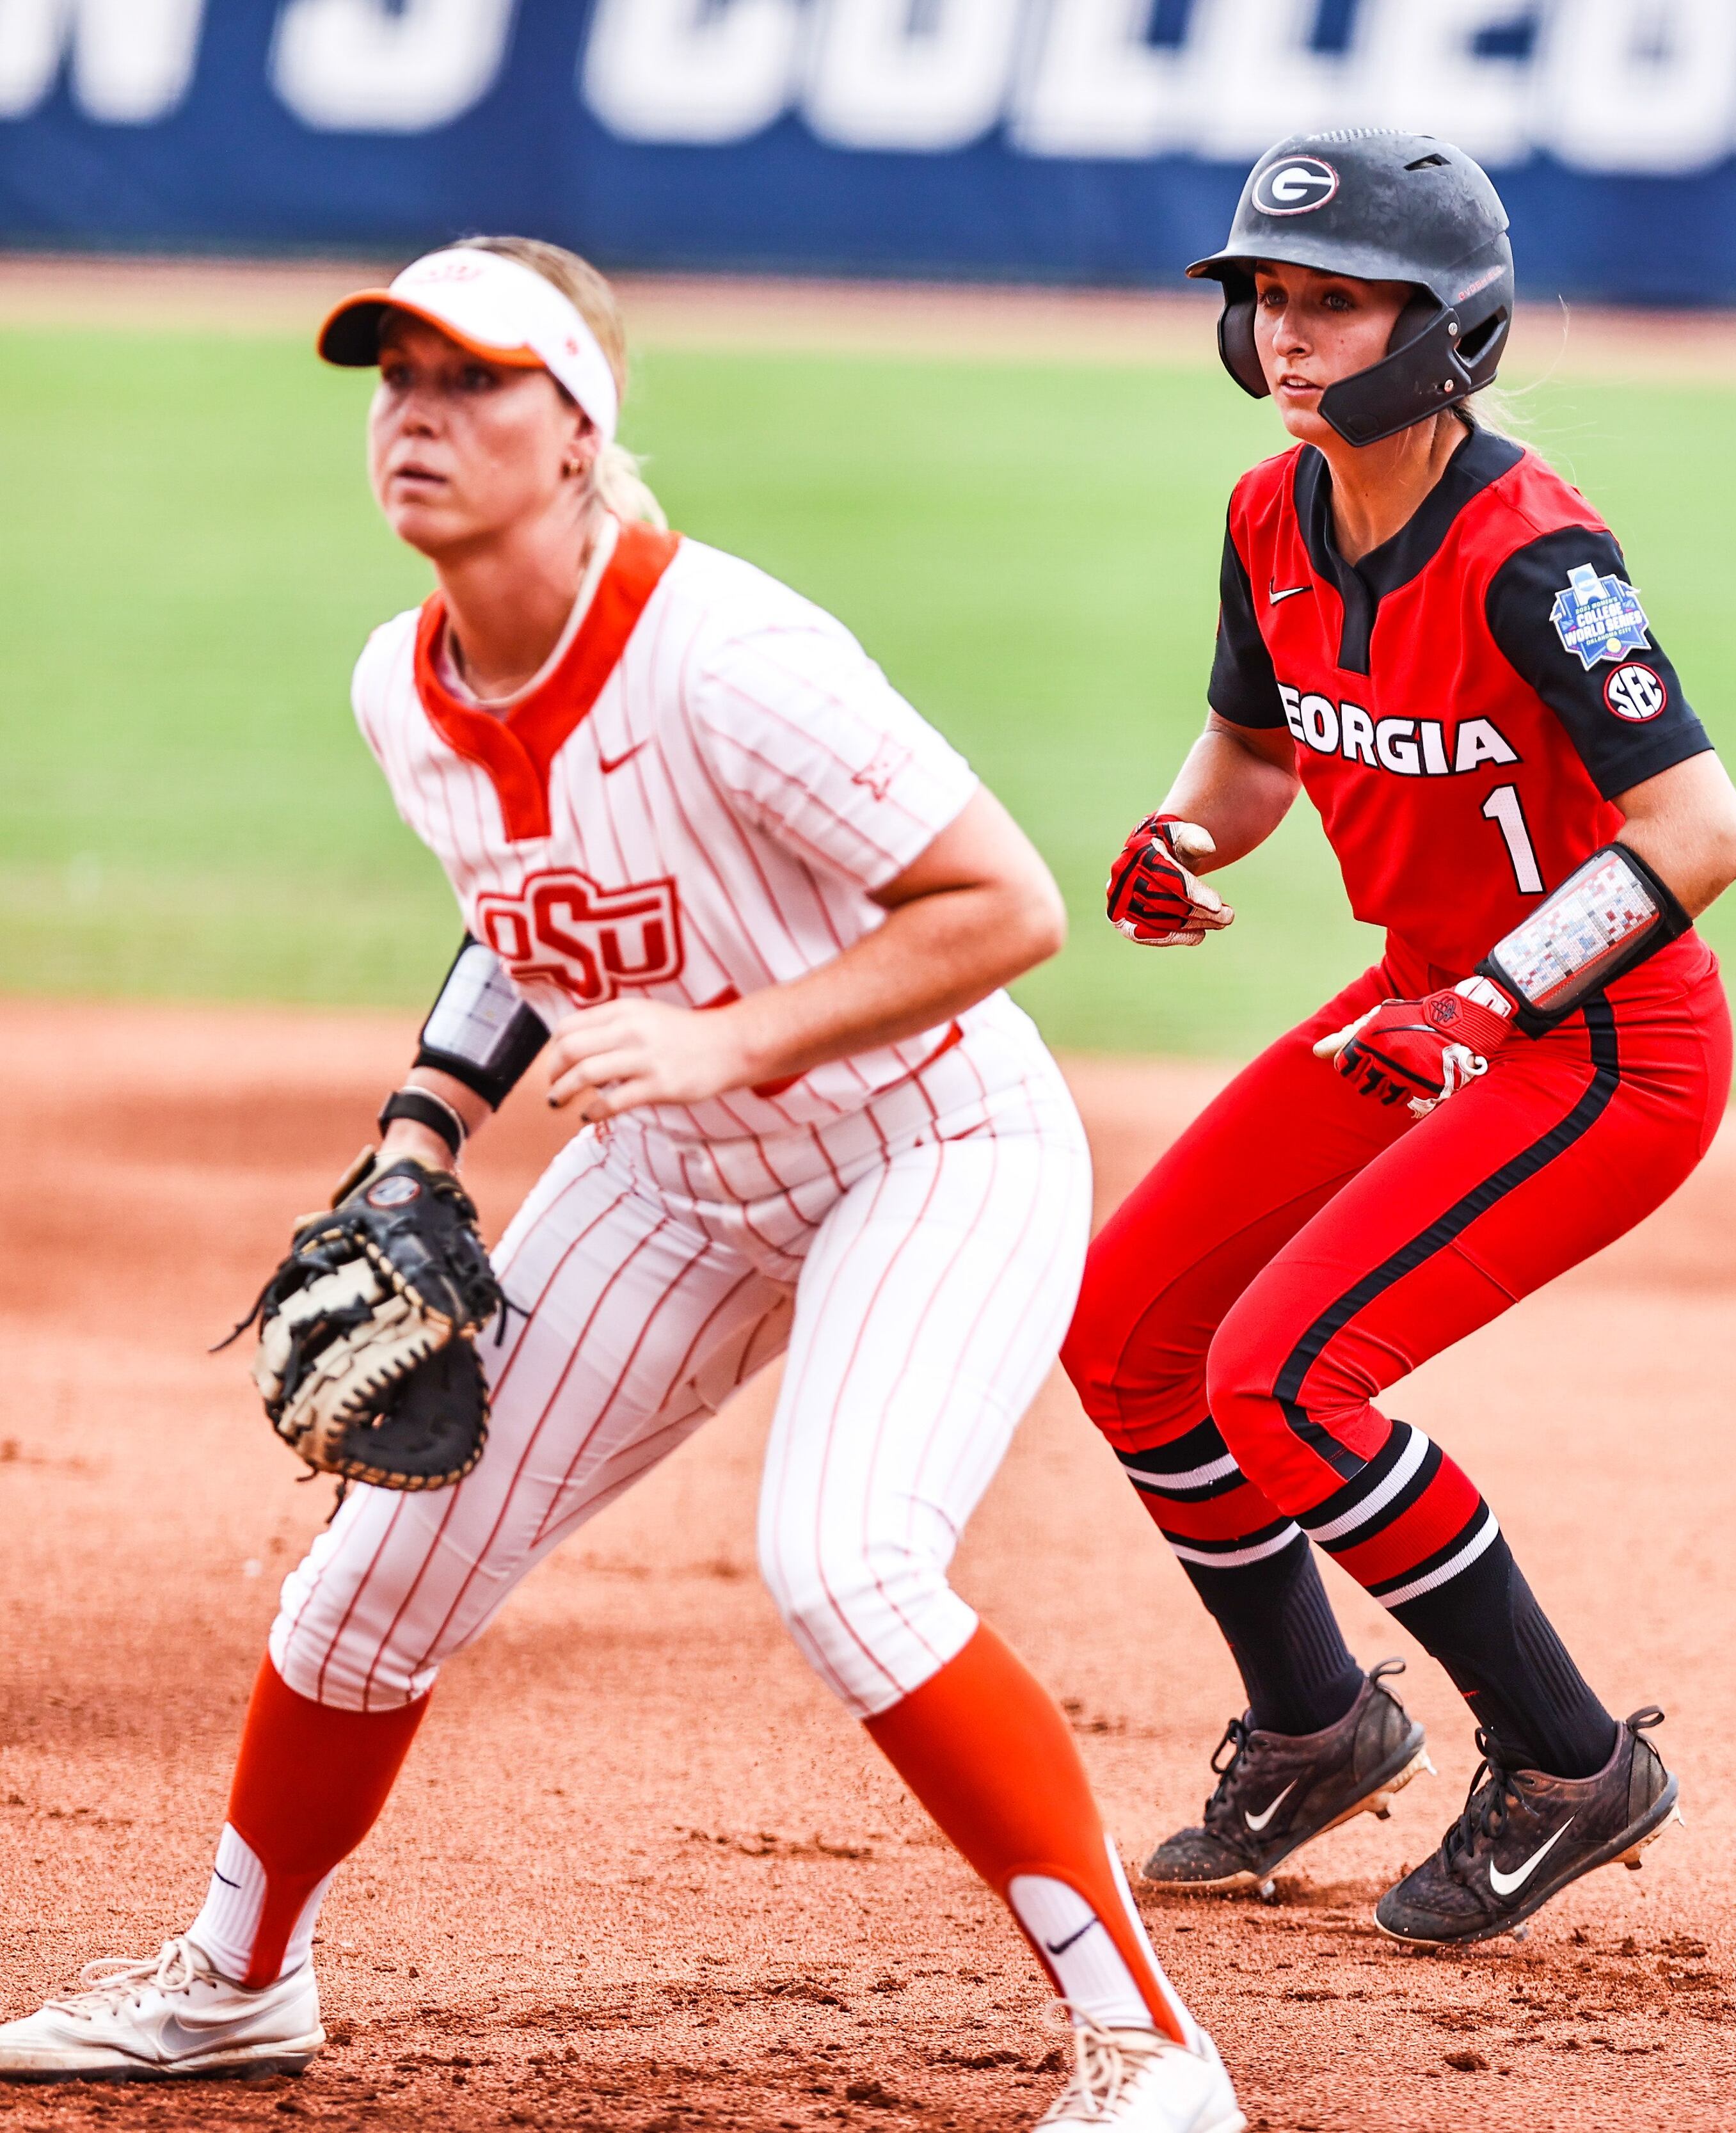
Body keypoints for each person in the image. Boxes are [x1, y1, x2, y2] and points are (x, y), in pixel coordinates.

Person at [0, 239, 1241, 2133]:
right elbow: (523, 914)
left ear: (578, 432)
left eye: (473, 382)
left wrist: (737, 1042)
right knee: (365, 1590)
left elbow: (1006, 905)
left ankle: (1155, 2051)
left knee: (849, 1568)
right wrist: (425, 1120)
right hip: (675, 1172)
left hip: (931, 1142)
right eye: (394, 379)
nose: (419, 417)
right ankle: (234, 1989)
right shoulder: (401, 687)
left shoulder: (730, 660)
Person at [1067, 133, 1736, 1947]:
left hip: (1601, 1048)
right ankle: (1313, 1726)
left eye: (1334, 300)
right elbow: (1258, 757)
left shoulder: (1539, 554)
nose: (1289, 336)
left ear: (1447, 323)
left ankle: (1567, 1762)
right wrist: (1179, 838)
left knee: (1285, 1380)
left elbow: (1699, 835)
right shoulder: (1268, 514)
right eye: (1267, 301)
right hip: (1422, 1011)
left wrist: (1490, 1001)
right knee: (1129, 1332)